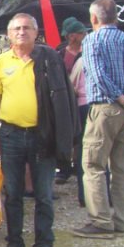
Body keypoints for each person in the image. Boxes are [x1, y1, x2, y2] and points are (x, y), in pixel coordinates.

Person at [0, 14, 77, 247]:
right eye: (16, 28)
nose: (21, 32)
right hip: (10, 134)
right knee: (13, 193)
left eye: (26, 28)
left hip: (42, 135)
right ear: (8, 33)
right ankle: (14, 242)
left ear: (36, 32)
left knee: (43, 194)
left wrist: (65, 137)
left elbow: (62, 100)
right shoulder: (0, 62)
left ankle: (44, 243)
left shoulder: (49, 60)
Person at [75, 0, 124, 237]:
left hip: (105, 108)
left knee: (93, 165)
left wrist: (122, 98)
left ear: (94, 18)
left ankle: (100, 221)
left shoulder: (92, 40)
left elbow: (98, 75)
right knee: (120, 168)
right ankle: (121, 221)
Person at [54, 17, 88, 184]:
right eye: (80, 33)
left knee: (82, 135)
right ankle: (64, 167)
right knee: (65, 134)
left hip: (82, 100)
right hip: (65, 100)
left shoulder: (88, 50)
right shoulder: (60, 52)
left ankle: (79, 166)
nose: (84, 35)